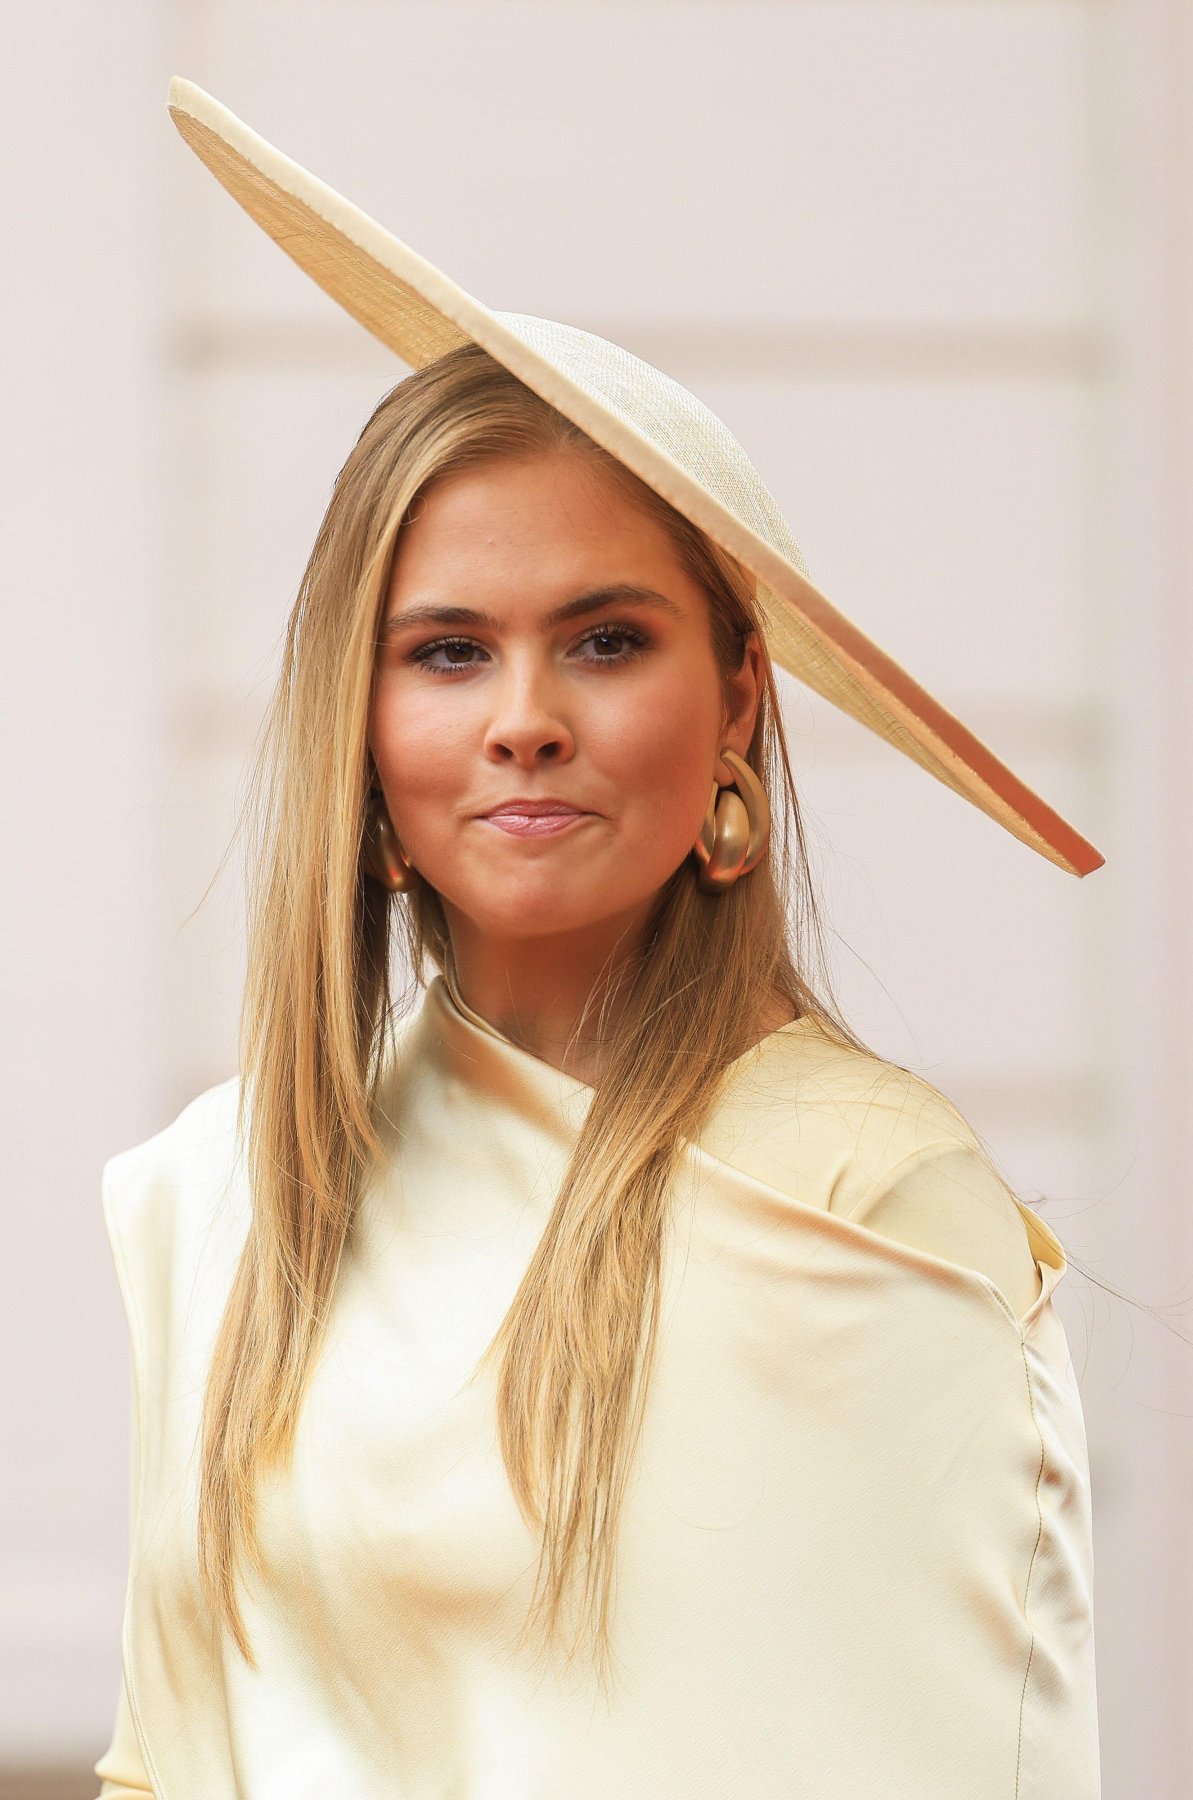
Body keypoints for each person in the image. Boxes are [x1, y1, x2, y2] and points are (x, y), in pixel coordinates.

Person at [93, 80, 1103, 1800]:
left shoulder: (873, 1199)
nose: (527, 719)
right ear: (359, 720)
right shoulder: (225, 1196)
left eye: (609, 639)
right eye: (448, 652)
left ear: (736, 710)